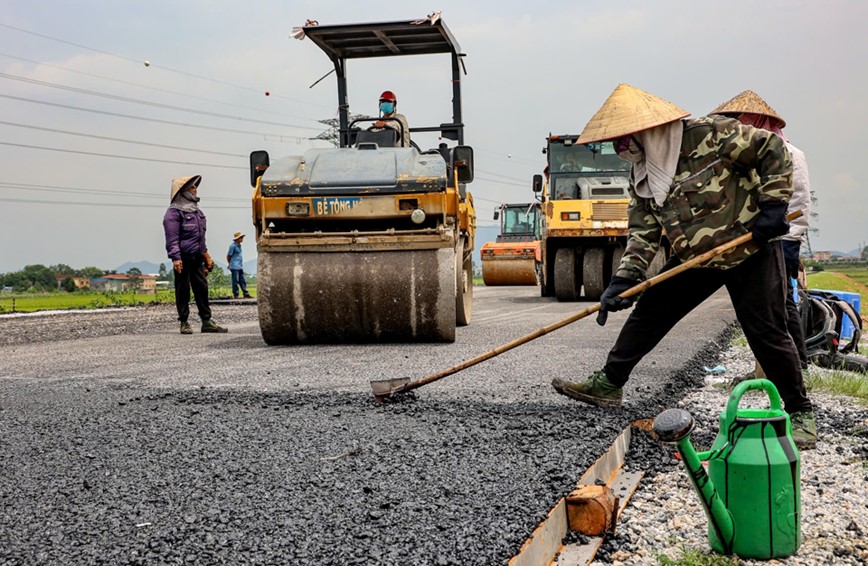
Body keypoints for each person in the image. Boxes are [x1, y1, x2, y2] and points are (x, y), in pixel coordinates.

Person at [549, 84, 817, 448]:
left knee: (766, 332)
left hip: (748, 249)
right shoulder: (644, 172)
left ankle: (801, 412)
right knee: (651, 310)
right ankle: (610, 383)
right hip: (697, 257)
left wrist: (773, 206)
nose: (620, 148)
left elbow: (772, 150)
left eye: (623, 139)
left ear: (646, 131)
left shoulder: (711, 134)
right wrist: (625, 278)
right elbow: (643, 230)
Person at [710, 90, 811, 370]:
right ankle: (783, 364)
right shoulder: (742, 153)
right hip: (754, 237)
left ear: (755, 119)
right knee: (773, 304)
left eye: (739, 119)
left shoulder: (788, 152)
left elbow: (798, 198)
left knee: (779, 303)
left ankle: (795, 362)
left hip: (782, 235)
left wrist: (788, 232)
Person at [163, 175, 228, 334]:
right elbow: (172, 238)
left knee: (202, 289)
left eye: (194, 187)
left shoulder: (197, 213)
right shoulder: (173, 214)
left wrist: (206, 256)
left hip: (196, 257)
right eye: (191, 187)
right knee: (183, 289)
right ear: (183, 191)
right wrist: (176, 258)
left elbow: (200, 238)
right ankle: (184, 322)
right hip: (183, 258)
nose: (195, 189)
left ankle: (206, 321)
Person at [227, 231, 252, 299]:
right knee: (235, 281)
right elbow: (229, 255)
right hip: (234, 266)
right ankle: (236, 294)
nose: (242, 239)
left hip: (239, 266)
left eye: (242, 237)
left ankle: (245, 293)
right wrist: (229, 264)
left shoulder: (239, 246)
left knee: (242, 280)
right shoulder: (233, 246)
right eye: (240, 237)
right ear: (237, 239)